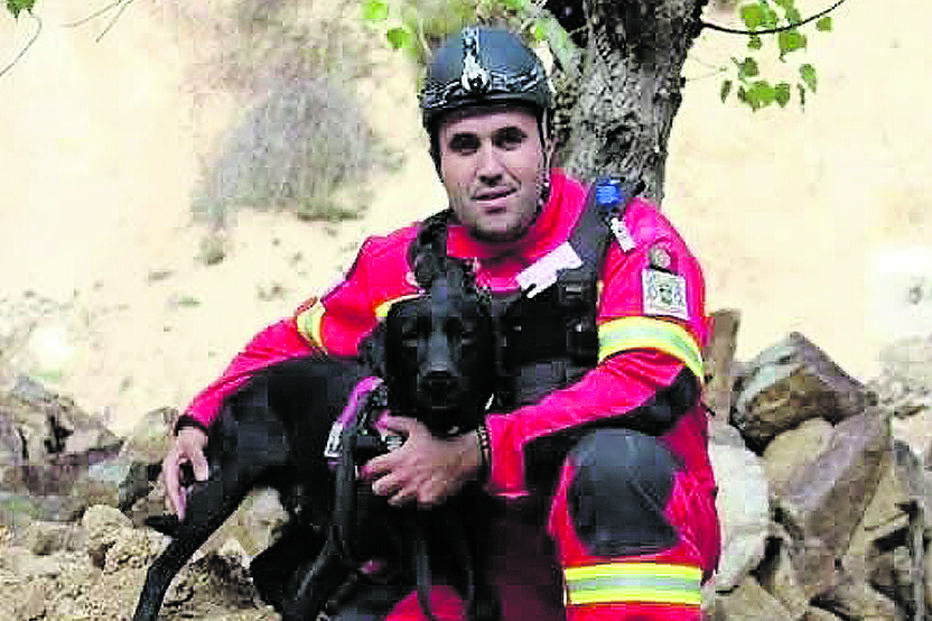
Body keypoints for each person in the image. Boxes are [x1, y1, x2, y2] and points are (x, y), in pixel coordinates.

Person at [161, 25, 720, 621]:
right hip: (473, 559)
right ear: (437, 160)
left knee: (616, 465)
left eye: (510, 139)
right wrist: (200, 418)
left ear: (547, 143)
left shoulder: (627, 241)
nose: (490, 167)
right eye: (465, 145)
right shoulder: (398, 266)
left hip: (610, 537)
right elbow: (288, 347)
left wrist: (476, 451)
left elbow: (652, 384)